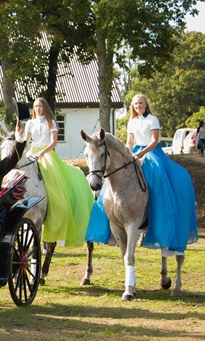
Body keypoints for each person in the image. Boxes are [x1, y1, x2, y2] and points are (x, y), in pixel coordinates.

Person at [88, 94, 198, 252]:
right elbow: (130, 142)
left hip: (152, 153)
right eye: (135, 104)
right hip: (135, 152)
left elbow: (154, 140)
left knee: (158, 177)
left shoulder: (152, 119)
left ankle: (160, 211)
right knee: (112, 181)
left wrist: (142, 153)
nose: (138, 106)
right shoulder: (132, 122)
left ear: (146, 105)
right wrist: (128, 155)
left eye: (140, 103)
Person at [20, 97, 92, 246]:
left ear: (45, 107)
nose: (38, 109)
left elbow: (53, 142)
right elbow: (26, 142)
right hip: (32, 152)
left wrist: (43, 152)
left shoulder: (50, 122)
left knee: (53, 184)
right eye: (36, 106)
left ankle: (54, 208)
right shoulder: (30, 123)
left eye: (40, 106)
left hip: (47, 154)